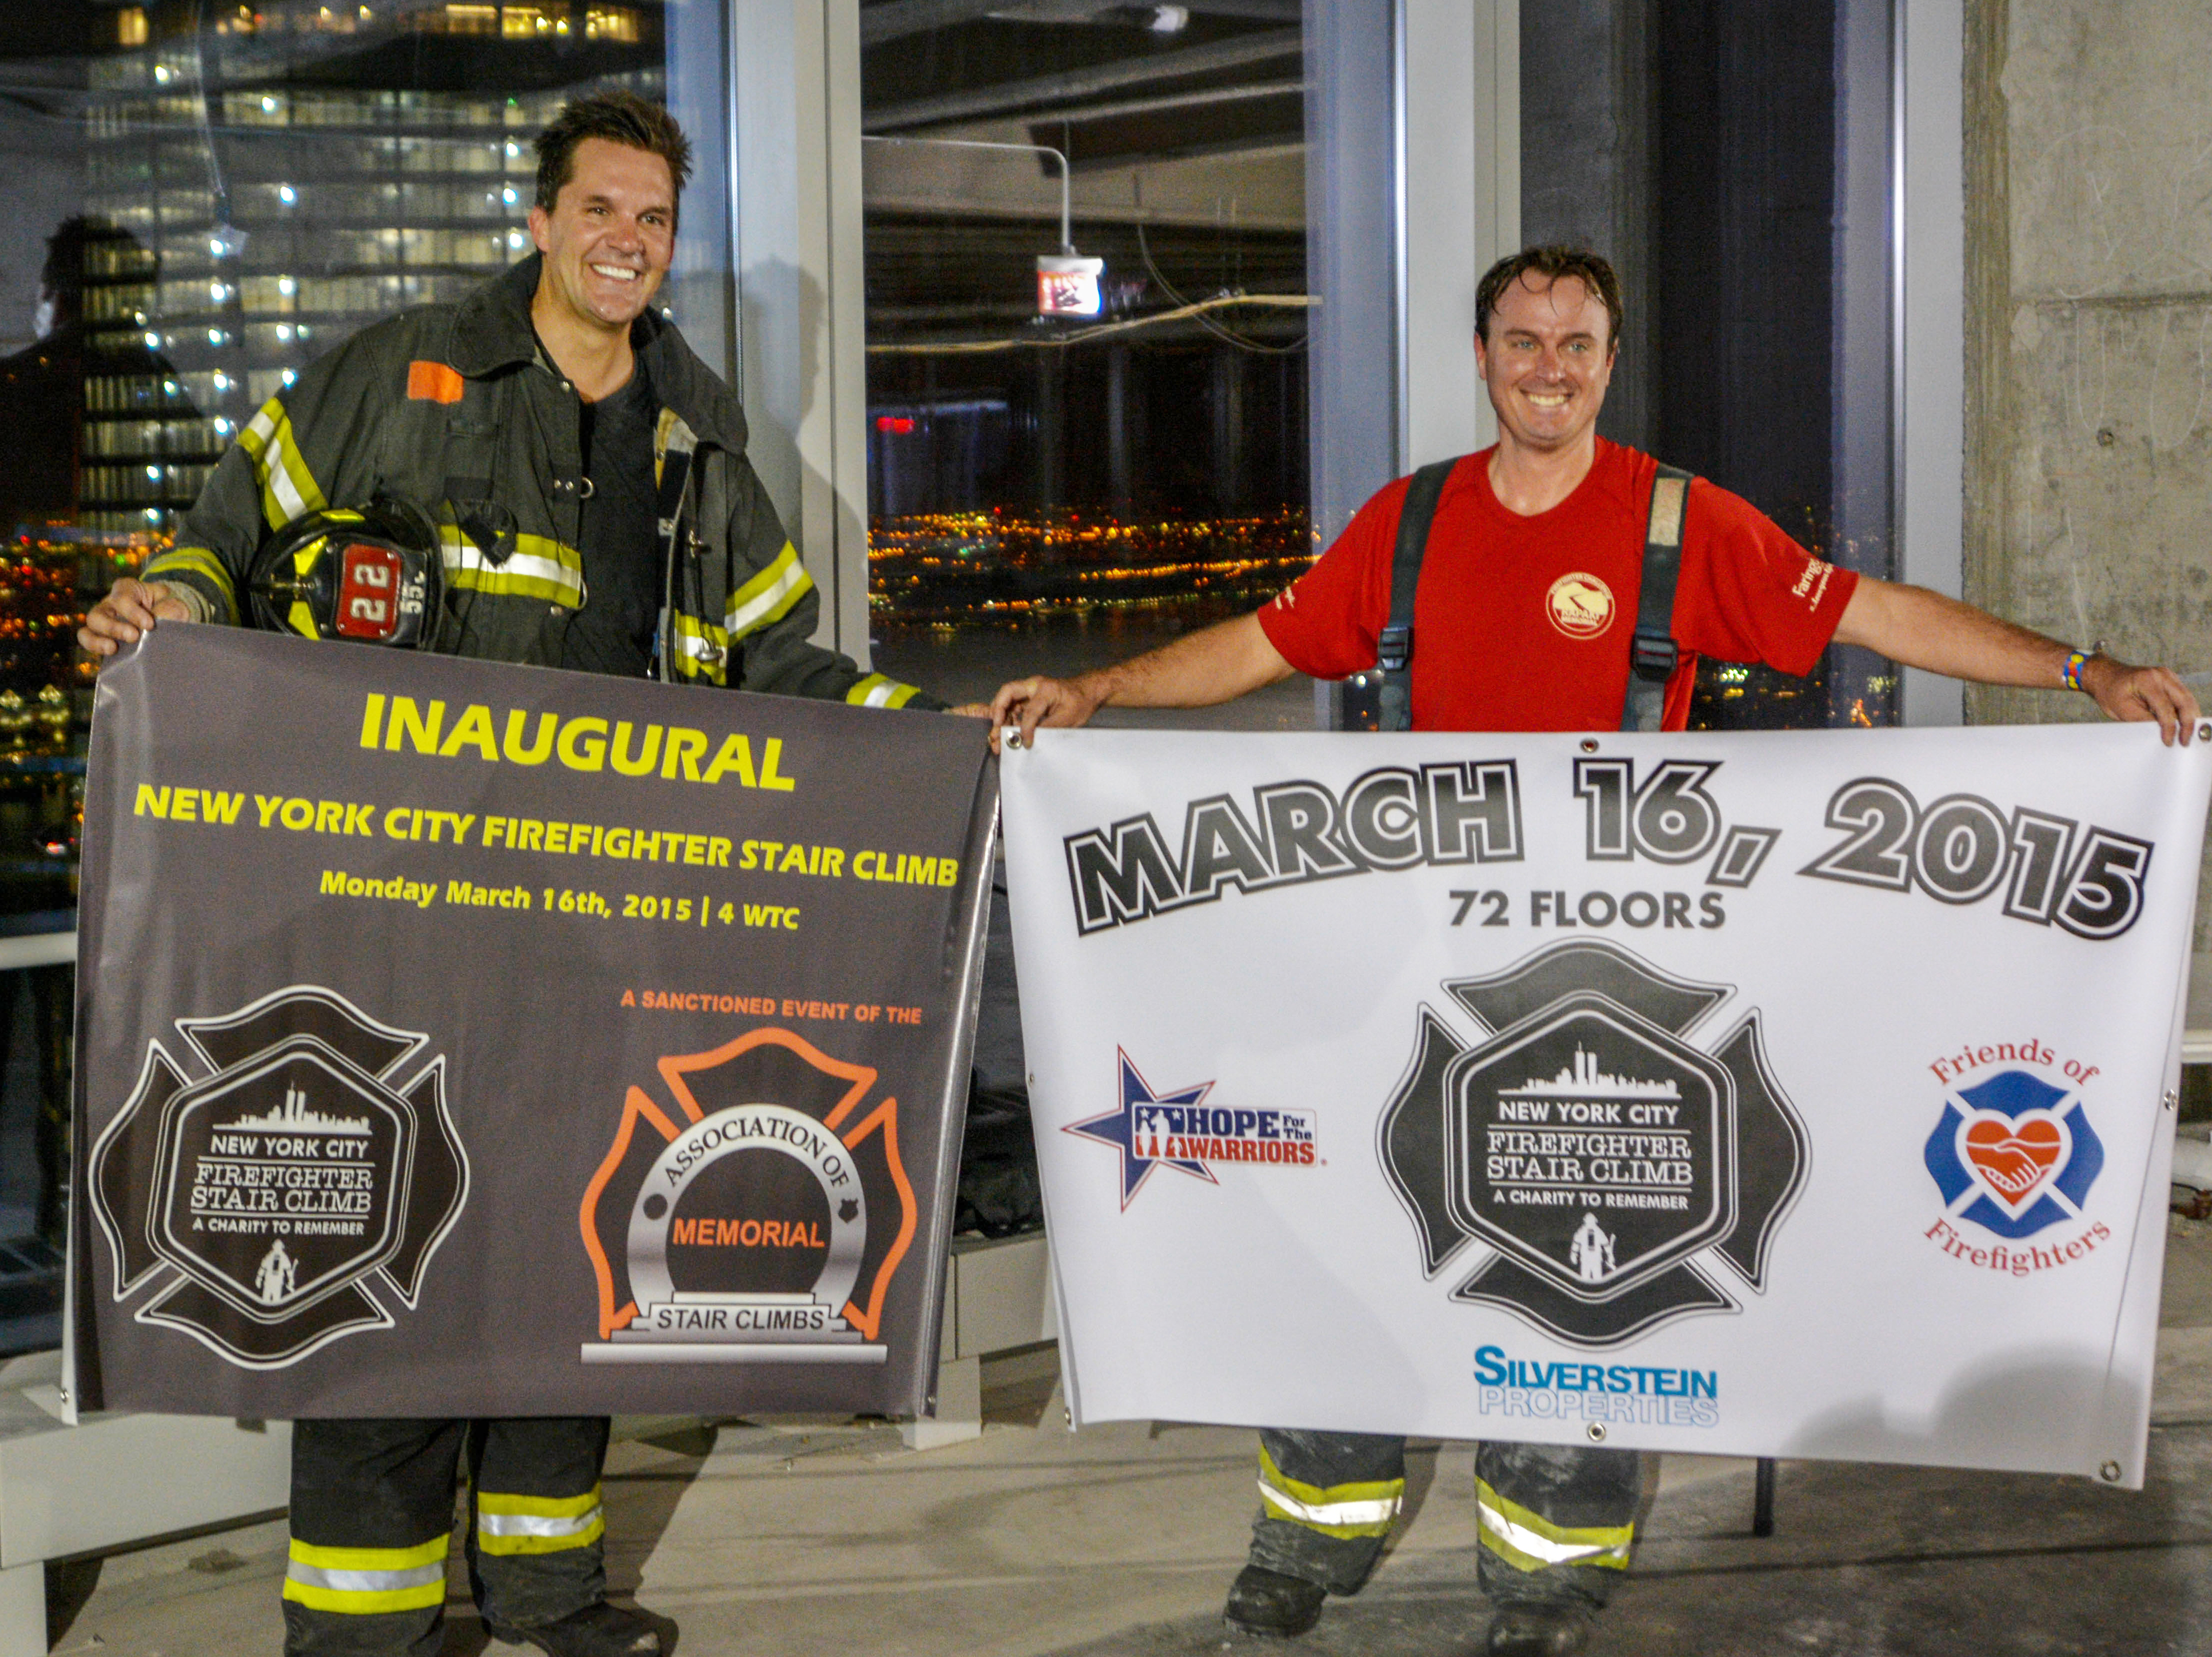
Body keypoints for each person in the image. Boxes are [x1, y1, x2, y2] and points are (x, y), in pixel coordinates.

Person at [986, 246, 2199, 1656]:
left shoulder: (1680, 524)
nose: (1549, 368)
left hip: (1605, 983)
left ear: (1609, 363)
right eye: (1523, 340)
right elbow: (1266, 642)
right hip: (1411, 962)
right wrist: (1098, 688)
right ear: (1485, 353)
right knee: (1361, 1223)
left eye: (1577, 345)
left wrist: (2081, 670)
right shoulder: (1415, 521)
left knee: (1576, 1259)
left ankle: (1548, 1573)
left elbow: (1868, 613)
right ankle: (1312, 1533)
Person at [80, 91, 946, 1657]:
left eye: (655, 222)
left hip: (599, 942)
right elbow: (223, 537)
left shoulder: (696, 445)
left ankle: (550, 1589)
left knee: (568, 1249)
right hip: (382, 920)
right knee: (381, 1251)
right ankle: (365, 1624)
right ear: (540, 221)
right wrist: (160, 604)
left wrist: (941, 745)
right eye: (601, 210)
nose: (628, 242)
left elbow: (779, 670)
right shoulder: (393, 379)